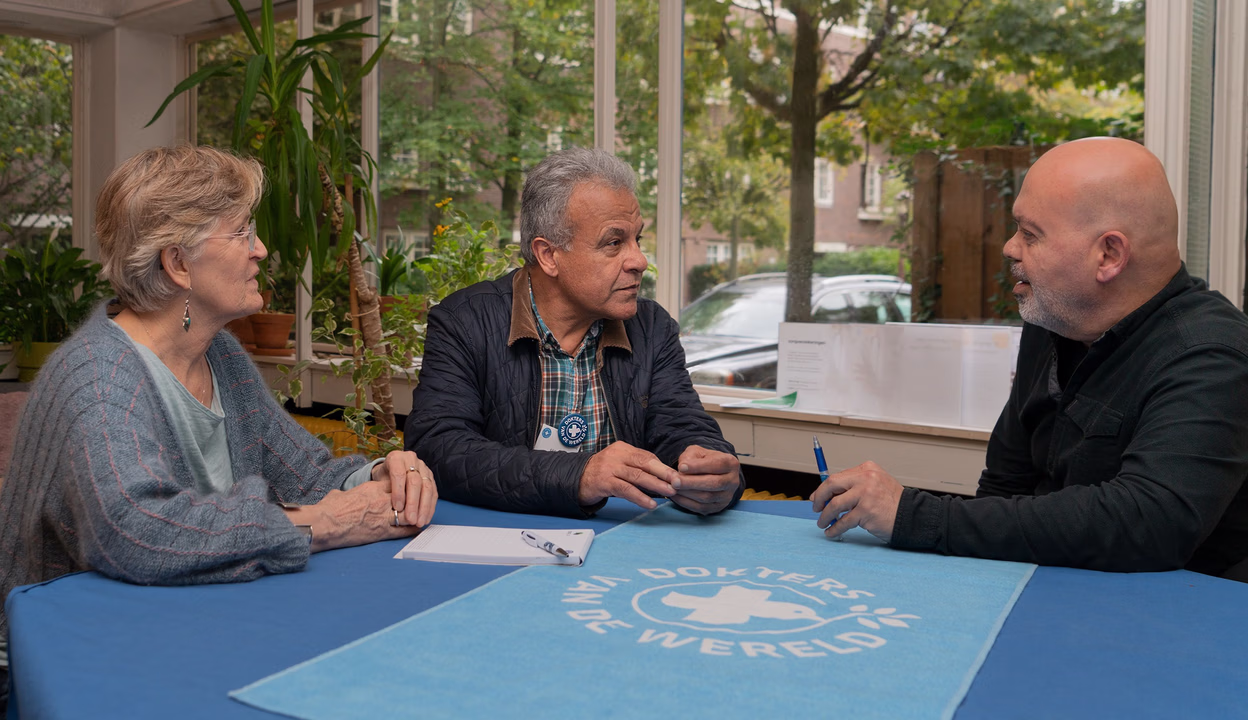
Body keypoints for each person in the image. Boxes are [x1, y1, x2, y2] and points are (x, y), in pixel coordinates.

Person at [0, 146, 439, 708]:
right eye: (241, 234)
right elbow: (135, 532)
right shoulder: (96, 375)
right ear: (177, 263)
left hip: (182, 621)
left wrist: (381, 474)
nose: (261, 249)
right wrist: (325, 522)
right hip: (76, 660)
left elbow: (304, 470)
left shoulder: (221, 356)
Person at [812, 137, 1248, 590]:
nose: (1009, 248)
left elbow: (1150, 523)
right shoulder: (1054, 321)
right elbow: (1005, 484)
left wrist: (912, 515)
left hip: (1198, 619)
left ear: (1109, 254)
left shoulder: (1213, 357)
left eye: (1030, 234)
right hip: (1056, 593)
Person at [405, 147, 742, 518]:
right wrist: (578, 475)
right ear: (549, 255)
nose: (640, 261)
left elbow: (681, 426)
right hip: (504, 546)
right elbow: (440, 450)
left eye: (637, 240)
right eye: (614, 243)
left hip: (623, 548)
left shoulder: (651, 328)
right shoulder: (465, 321)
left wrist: (710, 467)